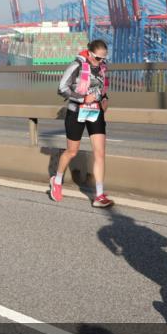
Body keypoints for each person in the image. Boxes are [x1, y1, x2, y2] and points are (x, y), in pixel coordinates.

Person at [50, 39, 114, 208]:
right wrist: (83, 98)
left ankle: (99, 195)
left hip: (95, 112)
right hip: (76, 112)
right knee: (72, 151)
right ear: (90, 53)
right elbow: (62, 88)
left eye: (104, 59)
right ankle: (56, 180)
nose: (101, 62)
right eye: (98, 58)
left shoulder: (102, 68)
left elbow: (101, 89)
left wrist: (105, 99)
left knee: (99, 153)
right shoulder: (76, 65)